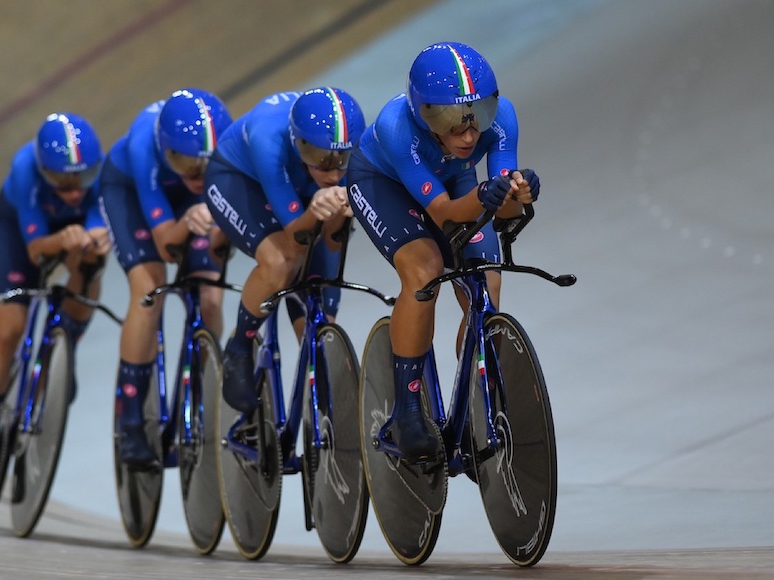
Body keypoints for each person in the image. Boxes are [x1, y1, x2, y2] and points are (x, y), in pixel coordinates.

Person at [346, 42, 540, 461]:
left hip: (456, 180)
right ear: (422, 113)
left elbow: (503, 200)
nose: (469, 134)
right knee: (426, 271)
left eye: (477, 116)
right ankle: (408, 409)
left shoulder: (503, 118)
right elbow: (446, 213)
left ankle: (476, 397)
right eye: (451, 122)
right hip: (384, 185)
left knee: (485, 281)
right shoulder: (396, 127)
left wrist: (519, 191)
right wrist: (493, 194)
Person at [0, 112, 111, 497]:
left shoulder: (103, 175)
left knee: (90, 264)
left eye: (83, 179)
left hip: (74, 236)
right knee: (8, 330)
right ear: (44, 171)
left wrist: (95, 240)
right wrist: (64, 239)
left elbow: (97, 222)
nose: (75, 191)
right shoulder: (25, 169)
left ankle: (65, 348)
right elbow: (36, 249)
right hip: (23, 235)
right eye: (63, 181)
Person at [205, 87, 366, 415]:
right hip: (239, 180)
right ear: (298, 143)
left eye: (341, 160)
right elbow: (297, 236)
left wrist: (335, 213)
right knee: (283, 261)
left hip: (302, 186)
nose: (334, 173)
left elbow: (333, 242)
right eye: (322, 160)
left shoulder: (348, 151)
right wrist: (321, 207)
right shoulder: (268, 138)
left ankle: (316, 391)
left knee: (319, 297)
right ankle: (239, 348)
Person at [101, 88, 233, 468]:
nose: (196, 173)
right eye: (184, 162)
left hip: (191, 208)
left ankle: (202, 393)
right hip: (131, 194)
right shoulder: (145, 147)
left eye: (205, 166)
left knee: (210, 297)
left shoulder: (225, 152)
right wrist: (190, 222)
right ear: (165, 149)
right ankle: (130, 422)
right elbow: (165, 246)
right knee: (149, 290)